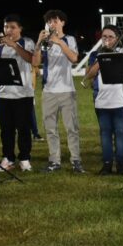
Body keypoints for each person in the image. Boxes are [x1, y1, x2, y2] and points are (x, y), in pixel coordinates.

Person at [33, 10, 84, 173]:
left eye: (55, 21)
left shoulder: (69, 39)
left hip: (67, 90)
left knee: (71, 128)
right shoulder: (45, 41)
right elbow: (35, 62)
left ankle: (76, 160)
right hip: (48, 91)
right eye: (49, 22)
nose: (52, 24)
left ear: (62, 22)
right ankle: (54, 160)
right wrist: (39, 43)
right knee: (50, 128)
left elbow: (74, 58)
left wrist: (59, 42)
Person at [0, 15, 36, 172]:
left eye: (12, 27)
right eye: (6, 27)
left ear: (20, 28)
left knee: (24, 128)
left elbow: (31, 59)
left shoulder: (27, 42)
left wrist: (14, 45)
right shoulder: (0, 45)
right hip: (3, 94)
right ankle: (8, 157)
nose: (8, 30)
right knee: (6, 129)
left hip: (23, 93)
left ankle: (25, 158)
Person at [84, 25, 123, 175]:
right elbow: (89, 75)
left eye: (110, 37)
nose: (107, 40)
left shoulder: (122, 53)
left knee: (121, 134)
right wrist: (100, 58)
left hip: (120, 101)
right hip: (101, 101)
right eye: (104, 37)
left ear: (116, 39)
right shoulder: (95, 54)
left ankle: (121, 165)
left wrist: (112, 55)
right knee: (105, 134)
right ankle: (107, 164)